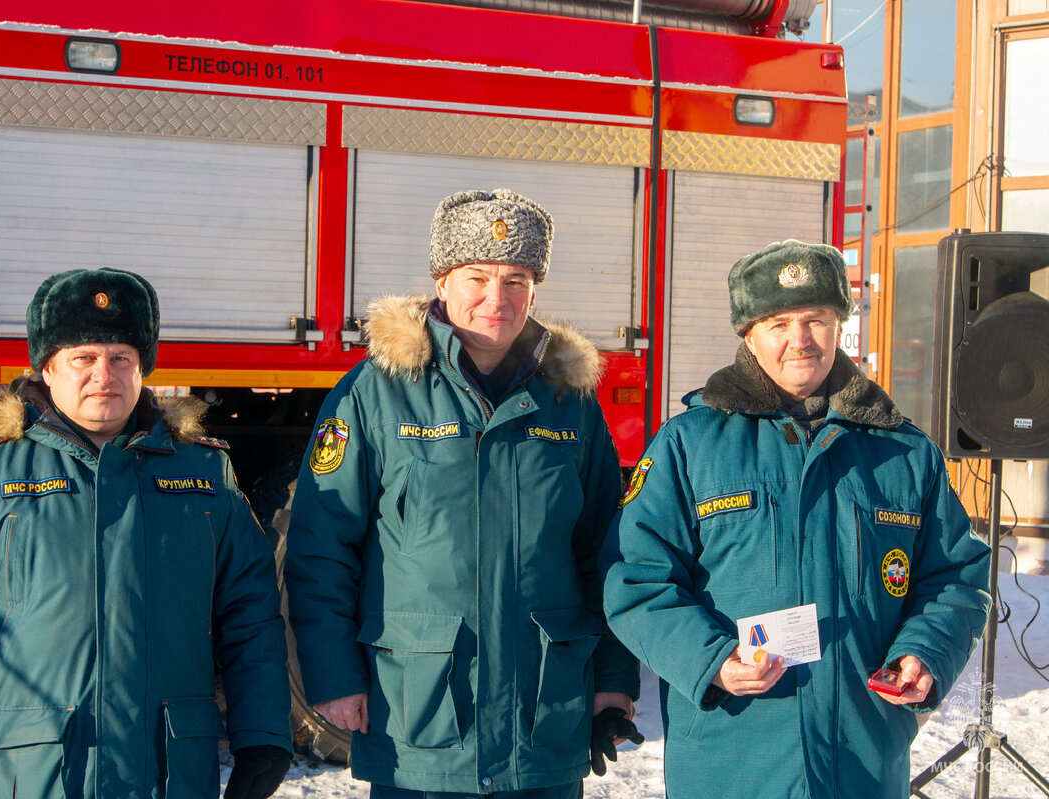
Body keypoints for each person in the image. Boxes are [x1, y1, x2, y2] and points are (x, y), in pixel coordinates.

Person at [283, 189, 643, 799]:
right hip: (420, 724)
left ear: (536, 290)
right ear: (442, 281)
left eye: (516, 279)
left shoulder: (572, 402)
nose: (495, 298)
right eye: (476, 276)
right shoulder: (376, 392)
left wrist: (612, 676)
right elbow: (322, 548)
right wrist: (333, 674)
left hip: (542, 724)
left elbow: (606, 552)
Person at [602, 239, 992, 799]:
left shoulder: (906, 452)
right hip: (732, 760)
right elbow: (633, 578)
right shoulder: (688, 445)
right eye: (778, 322)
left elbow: (955, 577)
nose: (799, 340)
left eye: (817, 319)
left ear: (840, 326)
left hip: (861, 760)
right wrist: (711, 660)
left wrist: (925, 651)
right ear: (748, 334)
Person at [0, 268, 293, 799]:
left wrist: (262, 736)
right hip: (34, 779)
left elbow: (251, 621)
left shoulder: (207, 476)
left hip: (169, 775)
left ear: (143, 368)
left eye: (121, 357)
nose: (105, 374)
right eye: (84, 357)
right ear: (48, 368)